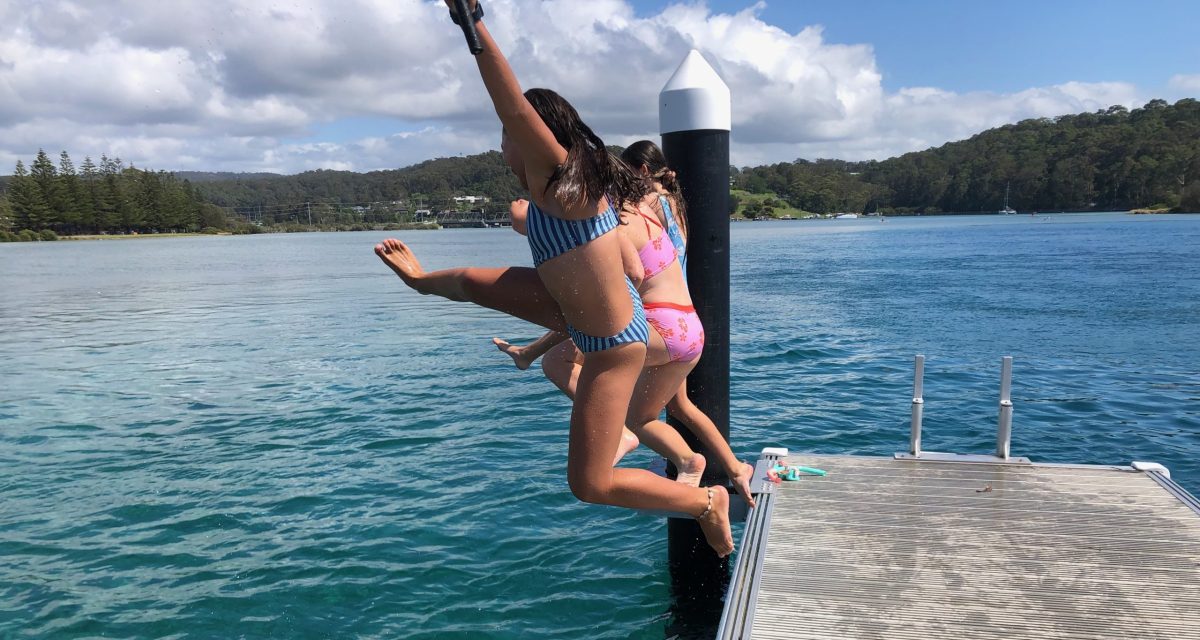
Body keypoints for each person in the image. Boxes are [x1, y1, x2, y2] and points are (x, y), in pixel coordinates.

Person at [375, 0, 732, 556]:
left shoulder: (566, 190)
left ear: (537, 136)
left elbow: (515, 108)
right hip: (585, 321)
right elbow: (481, 277)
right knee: (474, 284)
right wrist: (422, 281)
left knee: (591, 483)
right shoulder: (551, 208)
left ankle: (706, 501)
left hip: (615, 346)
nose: (501, 143)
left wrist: (473, 27)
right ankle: (422, 284)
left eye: (506, 133)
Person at [494, 141, 755, 507]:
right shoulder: (667, 210)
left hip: (658, 323)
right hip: (687, 324)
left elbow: (605, 256)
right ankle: (725, 467)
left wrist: (525, 217)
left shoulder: (629, 215)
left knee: (564, 357)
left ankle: (622, 436)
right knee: (673, 409)